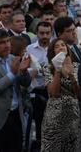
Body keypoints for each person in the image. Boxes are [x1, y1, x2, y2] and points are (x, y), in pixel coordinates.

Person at [0, 29, 31, 152]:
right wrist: (12, 74)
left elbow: (25, 83)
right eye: (2, 42)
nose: (7, 45)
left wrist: (24, 72)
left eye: (8, 41)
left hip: (15, 116)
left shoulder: (13, 59)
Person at [41, 38, 81, 152]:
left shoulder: (77, 66)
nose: (61, 47)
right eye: (57, 46)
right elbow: (53, 92)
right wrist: (58, 69)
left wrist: (72, 75)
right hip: (55, 114)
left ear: (67, 49)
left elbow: (78, 93)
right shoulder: (48, 67)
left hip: (73, 114)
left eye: (63, 45)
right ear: (52, 51)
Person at [26, 21, 53, 151]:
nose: (45, 36)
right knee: (37, 123)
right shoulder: (29, 49)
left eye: (47, 33)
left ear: (51, 33)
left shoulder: (55, 48)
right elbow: (25, 70)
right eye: (42, 33)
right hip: (36, 91)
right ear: (36, 33)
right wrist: (36, 70)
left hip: (52, 91)